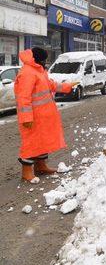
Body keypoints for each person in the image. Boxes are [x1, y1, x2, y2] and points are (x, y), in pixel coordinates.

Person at [14, 47, 74, 184]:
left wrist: (67, 86)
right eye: (44, 60)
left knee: (42, 142)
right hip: (32, 118)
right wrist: (26, 118)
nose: (45, 62)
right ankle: (26, 172)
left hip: (43, 117)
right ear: (37, 59)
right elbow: (23, 98)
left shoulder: (39, 71)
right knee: (31, 143)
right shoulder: (28, 73)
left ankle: (41, 166)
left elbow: (50, 85)